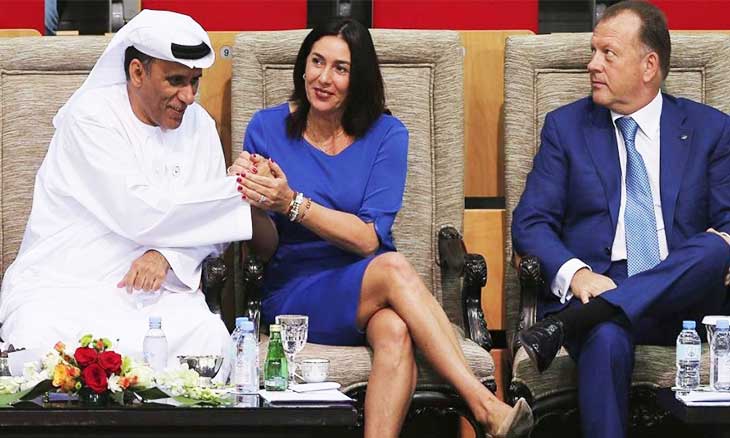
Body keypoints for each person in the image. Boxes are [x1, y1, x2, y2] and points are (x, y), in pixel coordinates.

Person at [228, 17, 532, 438]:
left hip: (370, 279)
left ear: (359, 80)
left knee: (394, 328)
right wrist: (253, 202)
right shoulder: (266, 128)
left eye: (341, 68)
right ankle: (484, 406)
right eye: (317, 61)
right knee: (392, 267)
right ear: (303, 65)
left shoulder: (388, 134)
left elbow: (366, 238)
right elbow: (263, 249)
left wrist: (292, 203)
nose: (324, 78)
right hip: (297, 289)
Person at [513, 2, 730, 437]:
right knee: (606, 337)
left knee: (714, 245)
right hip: (600, 286)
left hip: (686, 296)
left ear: (649, 65)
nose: (593, 64)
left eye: (608, 54)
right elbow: (531, 222)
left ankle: (570, 323)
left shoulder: (710, 130)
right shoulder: (566, 128)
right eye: (593, 52)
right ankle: (595, 315)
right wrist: (577, 275)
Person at [0, 10, 251, 365]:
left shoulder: (200, 125)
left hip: (158, 291)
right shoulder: (91, 117)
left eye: (195, 81)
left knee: (208, 338)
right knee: (37, 335)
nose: (189, 96)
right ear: (137, 72)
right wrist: (236, 192)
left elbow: (214, 233)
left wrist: (167, 256)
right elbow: (140, 213)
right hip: (68, 282)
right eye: (176, 80)